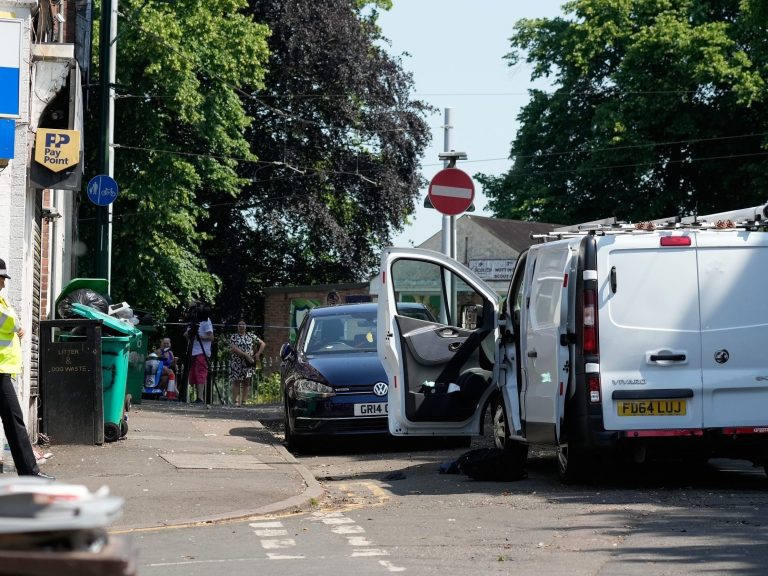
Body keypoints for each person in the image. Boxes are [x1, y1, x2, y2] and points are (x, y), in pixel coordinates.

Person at [0, 259, 53, 479]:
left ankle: (30, 473)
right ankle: (30, 474)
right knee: (15, 421)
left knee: (14, 421)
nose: (3, 284)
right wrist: (19, 326)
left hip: (3, 369)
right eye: (1, 279)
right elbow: (9, 321)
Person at [229, 320, 265, 407]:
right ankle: (236, 402)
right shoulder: (234, 337)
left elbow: (263, 344)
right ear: (237, 327)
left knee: (246, 381)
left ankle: (244, 401)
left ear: (246, 326)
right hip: (237, 362)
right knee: (236, 381)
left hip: (248, 363)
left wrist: (258, 354)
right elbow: (234, 348)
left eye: (243, 325)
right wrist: (245, 355)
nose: (241, 326)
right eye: (239, 325)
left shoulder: (251, 336)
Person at [185, 313, 213, 404]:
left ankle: (200, 398)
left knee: (200, 373)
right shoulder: (193, 320)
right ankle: (197, 397)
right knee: (193, 376)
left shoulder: (206, 320)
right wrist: (188, 334)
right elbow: (187, 335)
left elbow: (211, 337)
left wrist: (198, 336)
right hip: (192, 351)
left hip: (202, 351)